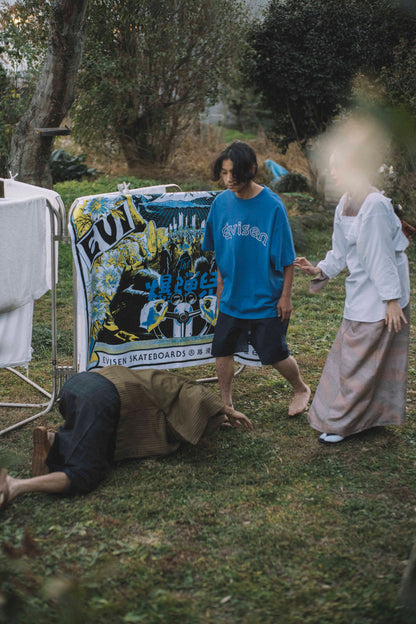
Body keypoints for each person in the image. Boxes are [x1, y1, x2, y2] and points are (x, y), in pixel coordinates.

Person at [294, 125, 410, 444]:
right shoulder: (345, 201)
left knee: (361, 366)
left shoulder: (373, 205)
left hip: (381, 300)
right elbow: (340, 251)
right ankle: (362, 418)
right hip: (361, 294)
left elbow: (381, 257)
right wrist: (319, 269)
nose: (331, 170)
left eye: (337, 164)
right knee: (357, 363)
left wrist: (391, 300)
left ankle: (342, 422)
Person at [0, 365, 252, 508]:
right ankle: (16, 486)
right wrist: (225, 409)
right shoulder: (188, 389)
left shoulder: (156, 378)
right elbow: (200, 402)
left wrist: (217, 417)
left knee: (97, 437)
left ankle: (55, 440)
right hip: (101, 398)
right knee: (86, 473)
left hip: (78, 385)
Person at [202, 141, 310, 416]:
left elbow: (287, 258)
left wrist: (285, 297)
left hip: (264, 297)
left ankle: (300, 388)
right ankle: (226, 404)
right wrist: (220, 287)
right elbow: (217, 250)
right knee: (222, 350)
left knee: (275, 354)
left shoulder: (272, 206)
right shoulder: (220, 203)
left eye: (233, 174)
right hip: (231, 297)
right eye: (224, 173)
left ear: (251, 169)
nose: (228, 180)